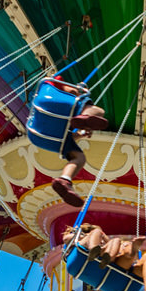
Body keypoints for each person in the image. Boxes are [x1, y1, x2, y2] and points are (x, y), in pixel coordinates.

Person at [41, 77, 107, 208]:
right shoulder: (54, 83)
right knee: (99, 111)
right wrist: (80, 91)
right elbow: (70, 91)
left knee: (79, 157)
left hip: (44, 133)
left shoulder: (47, 88)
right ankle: (85, 115)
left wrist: (78, 135)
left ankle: (65, 180)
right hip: (53, 110)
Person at [60, 225, 146, 291]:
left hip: (111, 268)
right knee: (104, 236)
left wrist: (107, 240)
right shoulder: (80, 238)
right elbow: (66, 238)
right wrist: (85, 234)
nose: (101, 237)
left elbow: (111, 242)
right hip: (84, 257)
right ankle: (94, 249)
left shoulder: (105, 241)